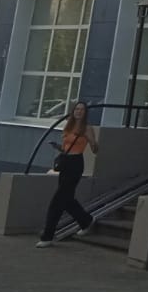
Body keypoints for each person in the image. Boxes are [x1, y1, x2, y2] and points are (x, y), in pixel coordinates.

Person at [37, 101, 100, 248]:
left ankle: (47, 236)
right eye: (77, 109)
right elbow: (66, 148)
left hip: (76, 164)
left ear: (85, 113)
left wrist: (91, 140)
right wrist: (58, 147)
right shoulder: (68, 126)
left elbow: (95, 150)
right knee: (67, 199)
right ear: (73, 111)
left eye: (82, 109)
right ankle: (86, 220)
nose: (79, 111)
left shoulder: (87, 128)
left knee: (57, 201)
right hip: (66, 163)